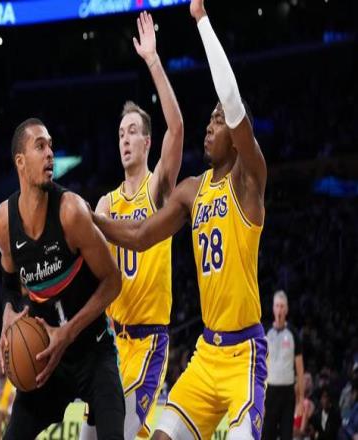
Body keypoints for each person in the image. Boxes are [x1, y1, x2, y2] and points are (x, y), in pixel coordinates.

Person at [92, 0, 268, 438]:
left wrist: (202, 21)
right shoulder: (191, 190)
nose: (210, 127)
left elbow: (229, 102)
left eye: (218, 122)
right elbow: (138, 235)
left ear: (236, 135)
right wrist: (85, 218)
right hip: (206, 353)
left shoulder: (249, 180)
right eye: (209, 120)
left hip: (244, 352)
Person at [81, 10, 183, 439]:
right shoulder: (105, 203)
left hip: (148, 343)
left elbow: (177, 128)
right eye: (121, 133)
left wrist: (153, 61)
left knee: (116, 432)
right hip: (110, 344)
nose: (124, 139)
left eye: (132, 132)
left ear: (147, 141)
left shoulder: (158, 189)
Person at [0, 118, 125, 439]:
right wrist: (7, 313)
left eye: (51, 145)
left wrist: (69, 332)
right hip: (46, 363)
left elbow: (113, 281)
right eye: (40, 146)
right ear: (20, 161)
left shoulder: (71, 212)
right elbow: (9, 282)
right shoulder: (4, 221)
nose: (50, 153)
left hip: (93, 351)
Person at [263, 290, 305, 440]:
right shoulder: (266, 333)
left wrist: (301, 400)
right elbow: (259, 368)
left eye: (282, 306)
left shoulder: (293, 334)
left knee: (286, 436)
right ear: (273, 308)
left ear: (286, 309)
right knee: (267, 435)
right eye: (277, 306)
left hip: (288, 393)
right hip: (270, 393)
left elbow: (300, 371)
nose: (279, 309)